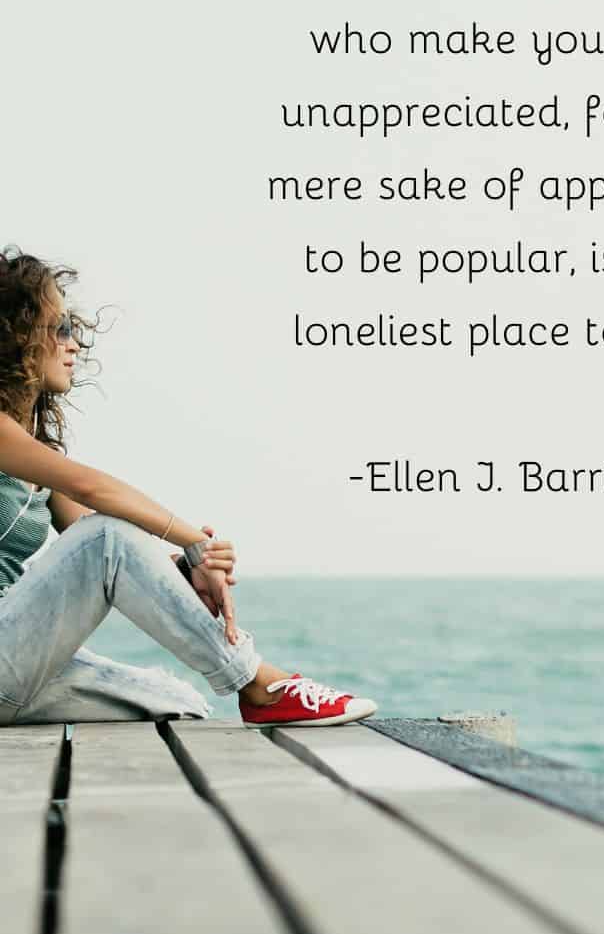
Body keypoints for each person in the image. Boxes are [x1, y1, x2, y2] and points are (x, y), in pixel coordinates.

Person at [0, 246, 377, 727]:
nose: (76, 344)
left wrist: (182, 570)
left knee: (178, 700)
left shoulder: (36, 454)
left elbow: (93, 551)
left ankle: (254, 688)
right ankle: (259, 684)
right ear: (15, 336)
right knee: (110, 534)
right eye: (61, 328)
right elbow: (97, 503)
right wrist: (194, 541)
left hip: (11, 654)